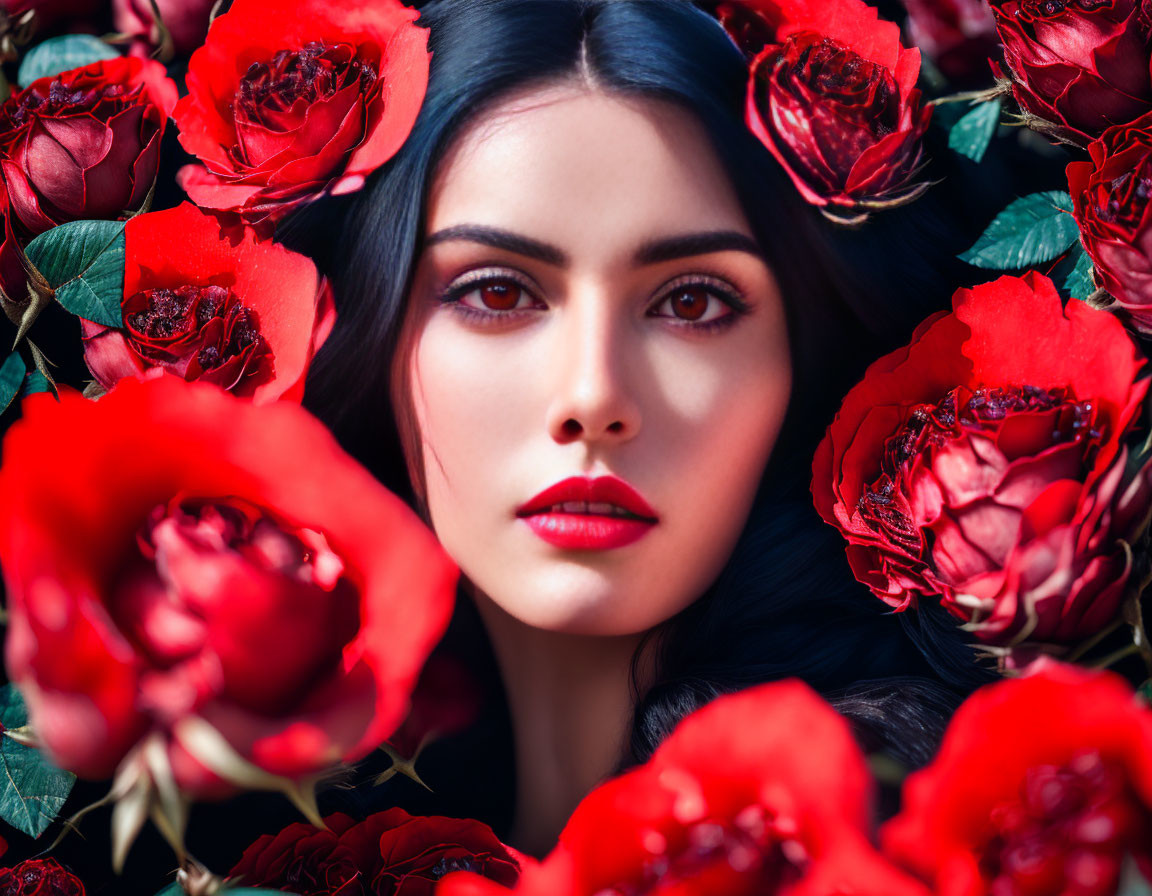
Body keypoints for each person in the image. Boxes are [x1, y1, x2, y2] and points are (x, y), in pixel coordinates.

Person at [285, 0, 995, 856]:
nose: (592, 395)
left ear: (802, 370)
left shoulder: (884, 834)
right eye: (498, 292)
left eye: (692, 302)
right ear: (372, 335)